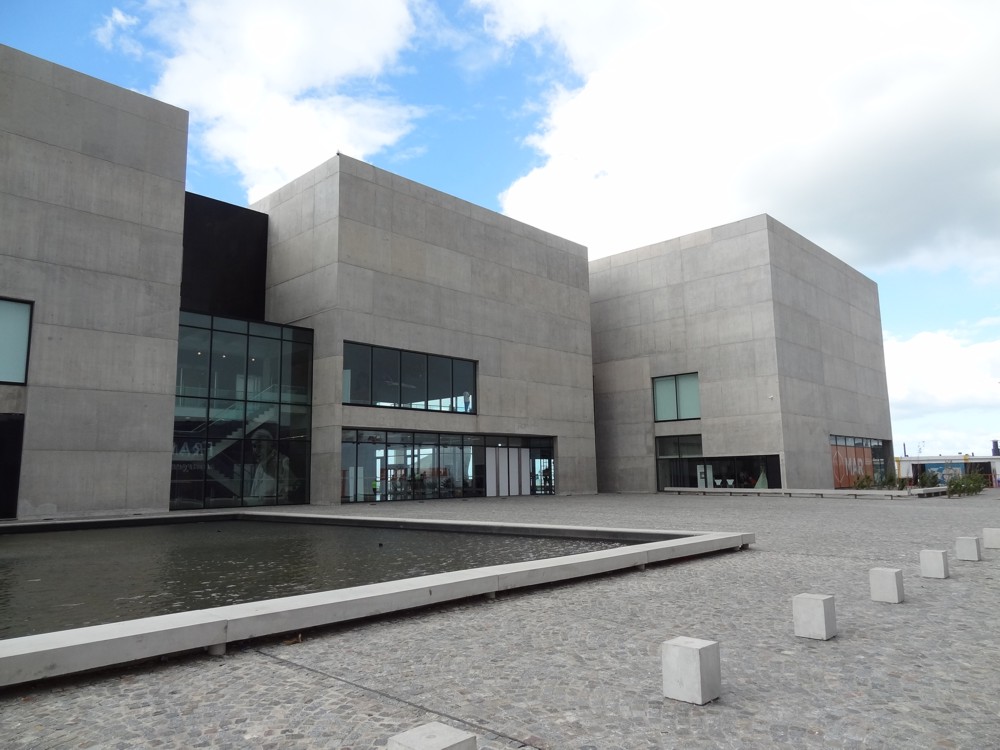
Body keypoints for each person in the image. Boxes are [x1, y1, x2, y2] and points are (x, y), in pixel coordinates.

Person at [246, 428, 293, 505]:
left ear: (270, 445)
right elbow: (253, 493)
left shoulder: (283, 462)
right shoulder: (260, 466)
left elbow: (285, 495)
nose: (256, 450)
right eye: (254, 446)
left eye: (260, 446)